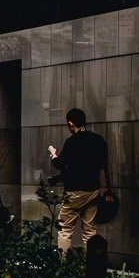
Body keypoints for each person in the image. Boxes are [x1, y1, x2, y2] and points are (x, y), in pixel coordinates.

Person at [48, 108, 112, 253]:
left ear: (71, 123)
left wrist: (53, 155)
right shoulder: (99, 140)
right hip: (94, 191)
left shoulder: (72, 142)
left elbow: (60, 164)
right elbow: (103, 166)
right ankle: (88, 265)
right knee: (89, 230)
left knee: (65, 230)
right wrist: (104, 187)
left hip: (75, 192)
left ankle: (63, 266)